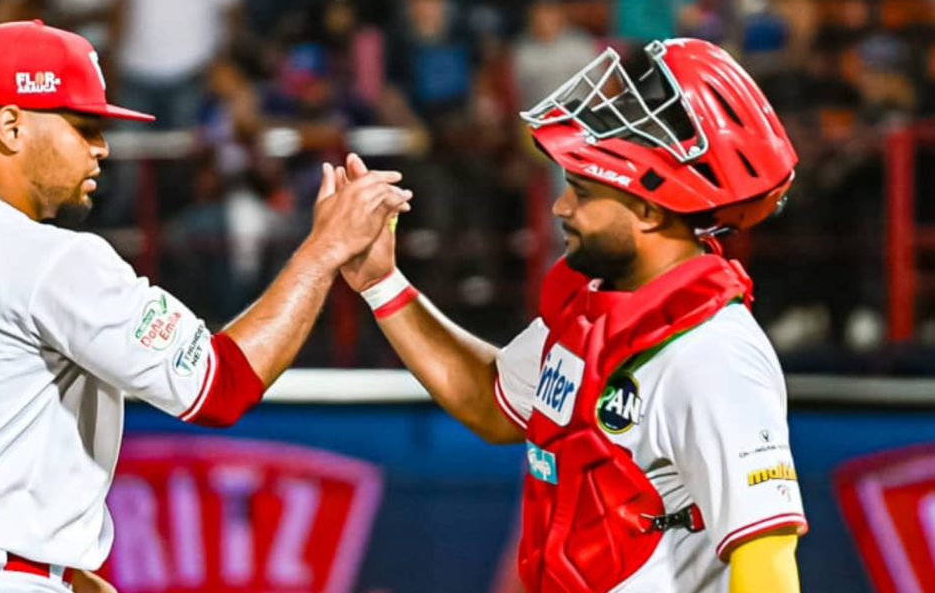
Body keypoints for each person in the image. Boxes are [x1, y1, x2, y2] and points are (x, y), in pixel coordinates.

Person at [0, 20, 410, 593]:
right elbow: (222, 387)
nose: (101, 147)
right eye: (82, 125)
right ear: (12, 126)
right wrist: (324, 251)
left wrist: (56, 567)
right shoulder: (48, 259)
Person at [338, 38, 807, 592]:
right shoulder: (595, 312)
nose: (562, 207)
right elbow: (492, 402)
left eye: (582, 191)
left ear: (648, 210)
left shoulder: (714, 354)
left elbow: (767, 562)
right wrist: (380, 284)